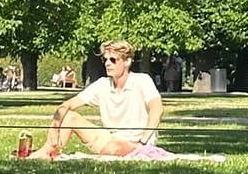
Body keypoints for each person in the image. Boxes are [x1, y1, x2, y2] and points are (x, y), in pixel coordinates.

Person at [24, 39, 163, 159]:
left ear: (127, 61)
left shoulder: (142, 80)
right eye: (105, 59)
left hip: (137, 143)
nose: (107, 63)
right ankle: (47, 152)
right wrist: (54, 127)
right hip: (110, 139)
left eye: (113, 60)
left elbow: (157, 109)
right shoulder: (102, 84)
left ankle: (48, 154)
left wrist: (143, 142)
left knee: (112, 148)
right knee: (69, 117)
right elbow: (67, 105)